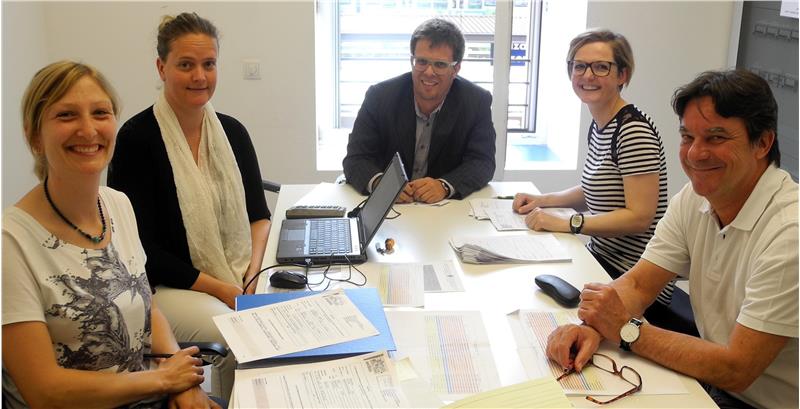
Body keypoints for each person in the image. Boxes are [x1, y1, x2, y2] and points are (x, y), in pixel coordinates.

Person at [546, 69, 797, 409]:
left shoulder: (789, 233)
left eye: (716, 138)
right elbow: (639, 285)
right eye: (688, 137)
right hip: (717, 387)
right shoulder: (694, 199)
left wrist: (625, 329)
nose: (695, 154)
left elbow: (737, 368)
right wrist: (593, 326)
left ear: (763, 143)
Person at [2, 61, 219, 409]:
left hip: (148, 395)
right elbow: (45, 391)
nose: (88, 130)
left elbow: (147, 307)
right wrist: (165, 380)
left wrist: (183, 382)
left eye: (100, 113)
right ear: (34, 136)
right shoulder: (10, 241)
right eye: (66, 115)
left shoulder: (118, 205)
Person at [107, 12, 271, 402]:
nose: (200, 76)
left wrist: (252, 275)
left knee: (280, 317)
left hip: (236, 275)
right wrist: (224, 290)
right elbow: (141, 251)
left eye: (208, 64)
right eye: (186, 65)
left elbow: (259, 216)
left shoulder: (233, 132)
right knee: (242, 331)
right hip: (163, 288)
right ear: (161, 67)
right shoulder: (136, 140)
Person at [511, 29, 693, 334]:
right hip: (603, 259)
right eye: (579, 66)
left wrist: (568, 223)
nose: (587, 75)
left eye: (600, 67)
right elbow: (596, 188)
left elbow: (639, 216)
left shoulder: (632, 131)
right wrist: (543, 200)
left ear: (622, 74)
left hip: (633, 278)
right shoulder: (601, 124)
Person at [342, 18, 496, 203]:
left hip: (443, 209)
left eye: (440, 65)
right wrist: (381, 185)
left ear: (456, 69)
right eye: (421, 61)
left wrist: (444, 186)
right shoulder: (380, 96)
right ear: (412, 61)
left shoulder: (476, 101)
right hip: (389, 209)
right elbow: (356, 158)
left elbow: (482, 162)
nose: (429, 72)